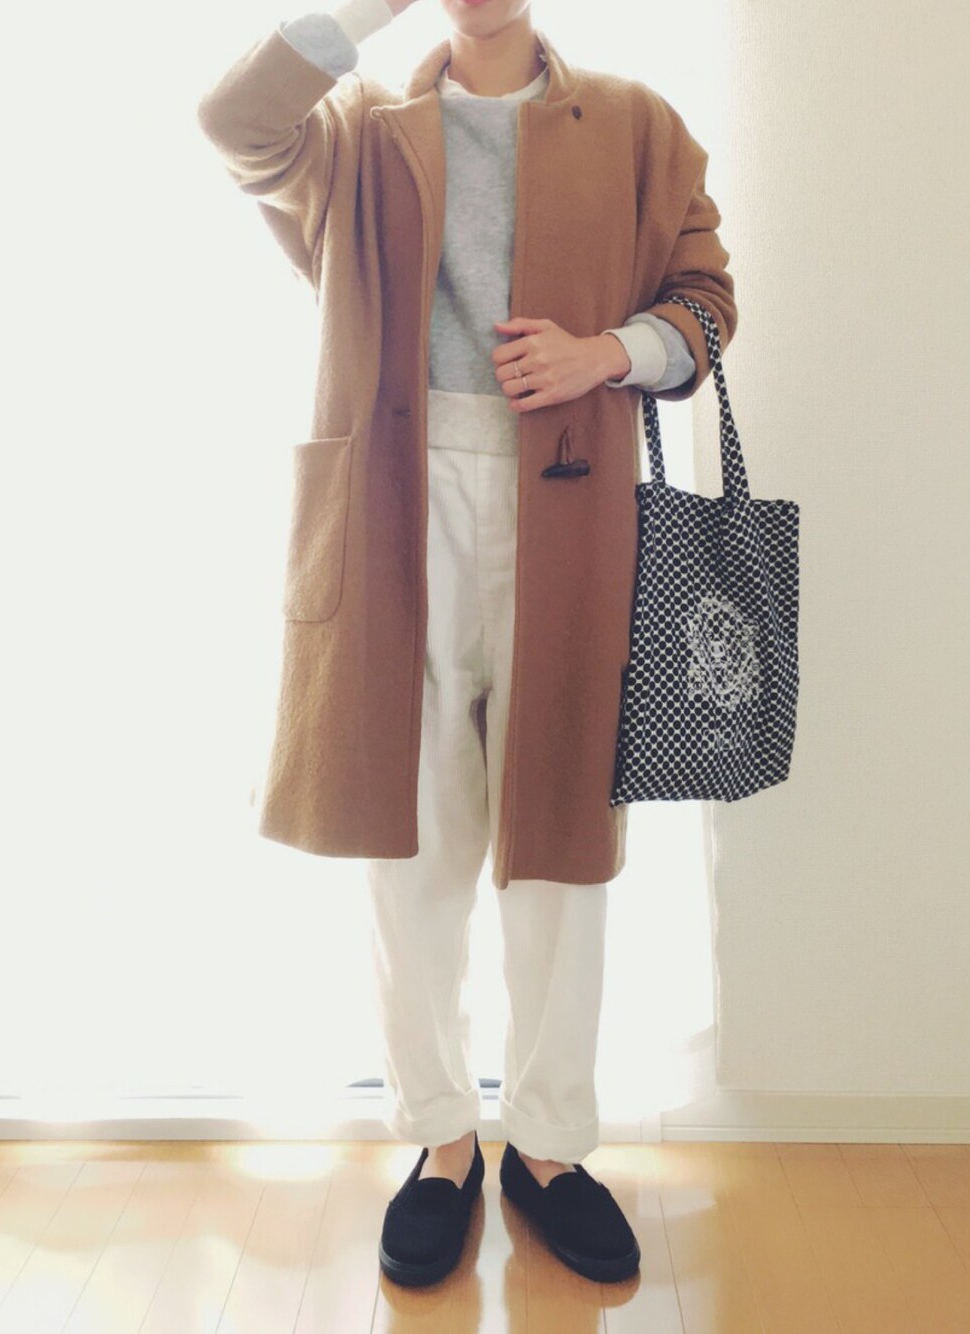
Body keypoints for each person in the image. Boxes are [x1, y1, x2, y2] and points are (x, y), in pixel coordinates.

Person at [198, 0, 735, 1290]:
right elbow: (232, 121)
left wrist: (605, 352)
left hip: (572, 507)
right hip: (396, 505)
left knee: (559, 841)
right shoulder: (354, 128)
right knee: (412, 838)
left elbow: (707, 304)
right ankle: (441, 1138)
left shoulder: (635, 123)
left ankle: (547, 1145)